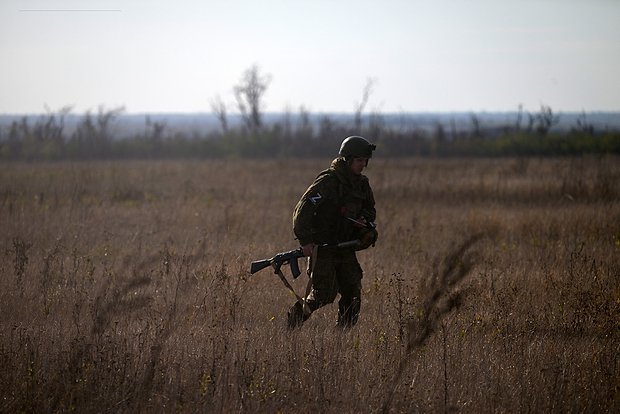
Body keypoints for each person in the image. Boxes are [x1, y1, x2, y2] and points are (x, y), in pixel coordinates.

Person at [288, 136, 378, 329]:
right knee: (323, 295)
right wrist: (305, 241)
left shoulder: (361, 184)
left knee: (353, 293)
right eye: (359, 160)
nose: (363, 165)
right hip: (324, 248)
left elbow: (370, 209)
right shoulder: (328, 181)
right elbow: (302, 210)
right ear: (347, 159)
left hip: (346, 247)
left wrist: (364, 220)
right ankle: (292, 322)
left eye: (365, 161)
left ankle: (342, 339)